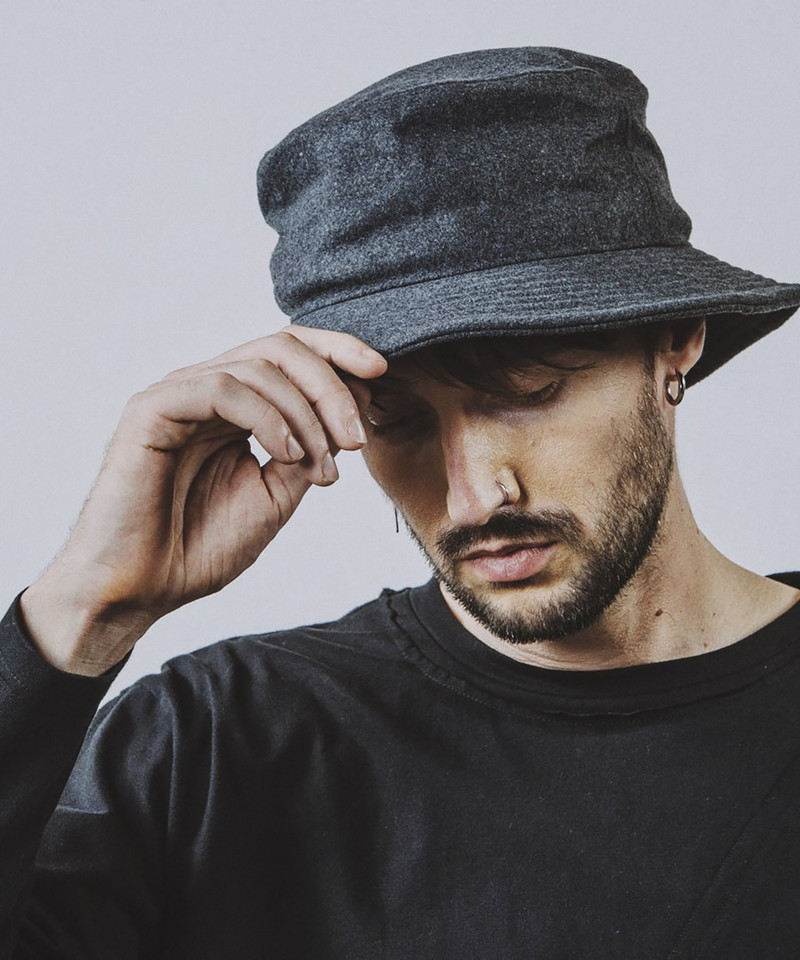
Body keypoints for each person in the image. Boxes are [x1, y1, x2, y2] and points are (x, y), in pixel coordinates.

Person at [2, 46, 800, 958]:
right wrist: (82, 610)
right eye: (398, 421)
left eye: (527, 391)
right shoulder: (212, 743)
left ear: (676, 337)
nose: (475, 495)